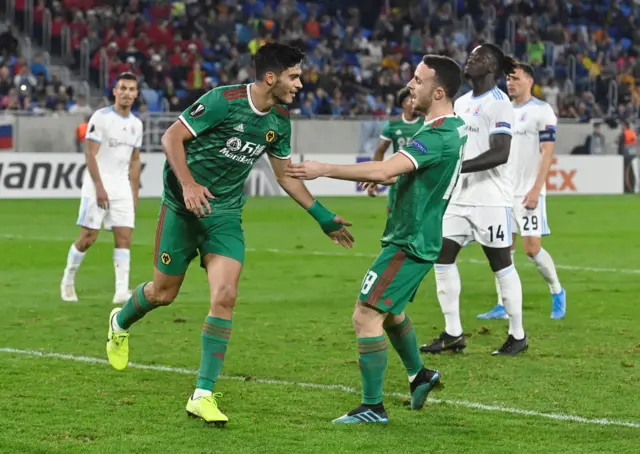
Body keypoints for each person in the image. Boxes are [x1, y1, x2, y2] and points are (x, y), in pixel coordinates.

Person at [104, 43, 354, 426]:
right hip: (181, 208)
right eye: (294, 76)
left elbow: (284, 174)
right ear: (271, 78)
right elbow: (172, 138)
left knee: (225, 295)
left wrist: (320, 216)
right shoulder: (223, 101)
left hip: (223, 215)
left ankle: (202, 393)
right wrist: (187, 185)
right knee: (163, 293)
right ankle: (120, 322)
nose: (300, 84)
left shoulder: (279, 122)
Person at [286, 55, 467, 424]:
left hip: (410, 240)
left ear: (439, 91)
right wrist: (392, 178)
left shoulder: (438, 135)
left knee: (365, 314)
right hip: (417, 235)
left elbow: (386, 168)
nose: (411, 86)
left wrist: (324, 169)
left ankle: (373, 407)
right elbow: (402, 172)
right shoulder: (452, 127)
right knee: (390, 310)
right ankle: (420, 375)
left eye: (418, 80)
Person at [419, 44, 528, 356]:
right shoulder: (461, 102)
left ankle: (517, 334)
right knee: (442, 259)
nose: (471, 59)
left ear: (492, 67)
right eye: (471, 55)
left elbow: (501, 152)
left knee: (501, 264)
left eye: (480, 57)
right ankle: (453, 333)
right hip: (458, 198)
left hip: (491, 200)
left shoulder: (500, 103)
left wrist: (458, 167)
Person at [477, 63, 566, 321]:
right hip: (502, 191)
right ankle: (503, 305)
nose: (510, 82)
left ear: (529, 81)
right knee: (502, 248)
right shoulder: (501, 110)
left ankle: (557, 291)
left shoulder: (541, 111)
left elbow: (547, 152)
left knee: (531, 248)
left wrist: (536, 189)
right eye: (507, 78)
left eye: (515, 78)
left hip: (528, 192)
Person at [61, 72, 143, 304]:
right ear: (115, 91)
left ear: (136, 94)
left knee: (124, 238)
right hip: (97, 184)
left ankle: (121, 291)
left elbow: (135, 159)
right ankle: (68, 279)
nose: (127, 93)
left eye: (131, 89)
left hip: (121, 187)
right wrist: (99, 187)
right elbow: (90, 153)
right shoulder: (101, 117)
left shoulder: (137, 124)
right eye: (123, 88)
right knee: (89, 237)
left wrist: (134, 191)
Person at [367, 87, 422, 209]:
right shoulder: (392, 124)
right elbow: (380, 150)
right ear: (403, 104)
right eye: (410, 100)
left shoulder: (426, 122)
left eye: (415, 99)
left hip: (420, 177)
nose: (414, 102)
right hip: (398, 177)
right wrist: (374, 177)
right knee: (392, 214)